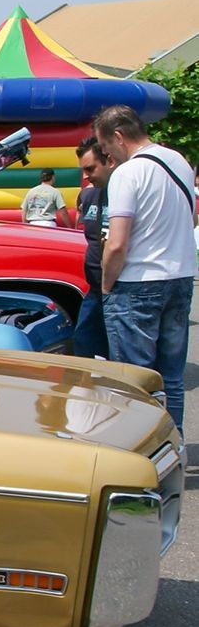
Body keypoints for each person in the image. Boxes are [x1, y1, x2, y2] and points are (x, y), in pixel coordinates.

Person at [94, 104, 198, 431]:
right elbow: (191, 217)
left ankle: (142, 452)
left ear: (119, 137)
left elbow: (118, 242)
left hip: (137, 283)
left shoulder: (127, 173)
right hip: (179, 276)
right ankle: (174, 444)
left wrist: (107, 284)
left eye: (107, 147)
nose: (109, 155)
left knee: (135, 381)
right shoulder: (178, 161)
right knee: (171, 378)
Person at [72, 138, 115, 358]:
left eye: (90, 168)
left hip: (119, 290)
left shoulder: (124, 193)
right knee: (84, 344)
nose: (86, 176)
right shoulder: (89, 195)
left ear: (109, 161)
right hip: (95, 288)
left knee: (119, 354)